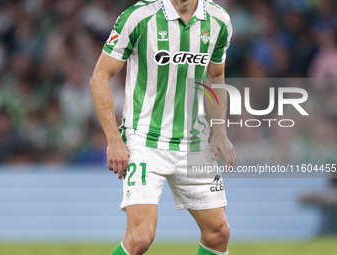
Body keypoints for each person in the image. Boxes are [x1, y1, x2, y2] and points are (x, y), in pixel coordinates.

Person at [90, 0, 237, 254]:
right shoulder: (138, 17)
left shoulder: (219, 21)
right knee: (140, 238)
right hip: (145, 138)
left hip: (194, 141)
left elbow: (215, 76)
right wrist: (114, 140)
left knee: (219, 233)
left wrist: (219, 129)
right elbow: (100, 76)